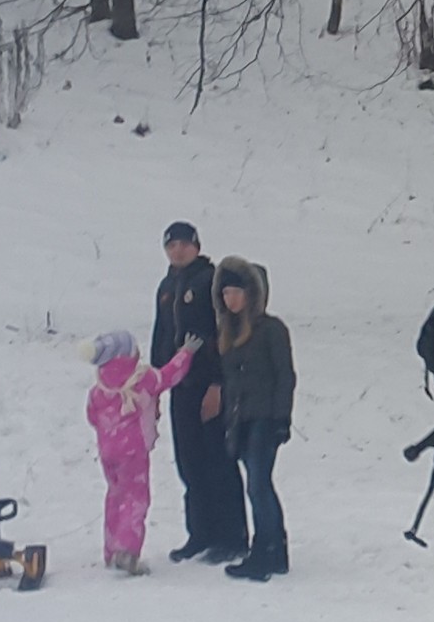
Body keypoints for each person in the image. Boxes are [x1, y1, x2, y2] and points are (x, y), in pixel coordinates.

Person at [152, 223, 247, 565]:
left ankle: (233, 537)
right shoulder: (167, 286)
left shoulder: (210, 281)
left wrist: (218, 384)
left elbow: (225, 333)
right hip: (181, 387)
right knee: (189, 462)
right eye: (171, 245)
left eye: (184, 244)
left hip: (209, 385)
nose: (178, 251)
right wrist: (155, 384)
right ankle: (201, 533)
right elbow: (161, 336)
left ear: (196, 246)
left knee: (218, 460)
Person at [82, 329, 202, 574]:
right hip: (133, 452)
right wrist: (185, 354)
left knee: (115, 496)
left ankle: (111, 549)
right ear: (125, 355)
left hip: (108, 452)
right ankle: (127, 551)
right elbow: (167, 376)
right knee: (135, 498)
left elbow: (92, 417)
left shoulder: (99, 388)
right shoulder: (141, 379)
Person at [213, 256, 296, 581]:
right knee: (258, 485)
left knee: (259, 485)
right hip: (241, 420)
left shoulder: (271, 329)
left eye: (236, 292)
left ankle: (267, 550)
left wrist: (281, 418)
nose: (230, 299)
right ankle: (272, 550)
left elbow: (285, 376)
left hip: (265, 418)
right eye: (225, 293)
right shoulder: (228, 332)